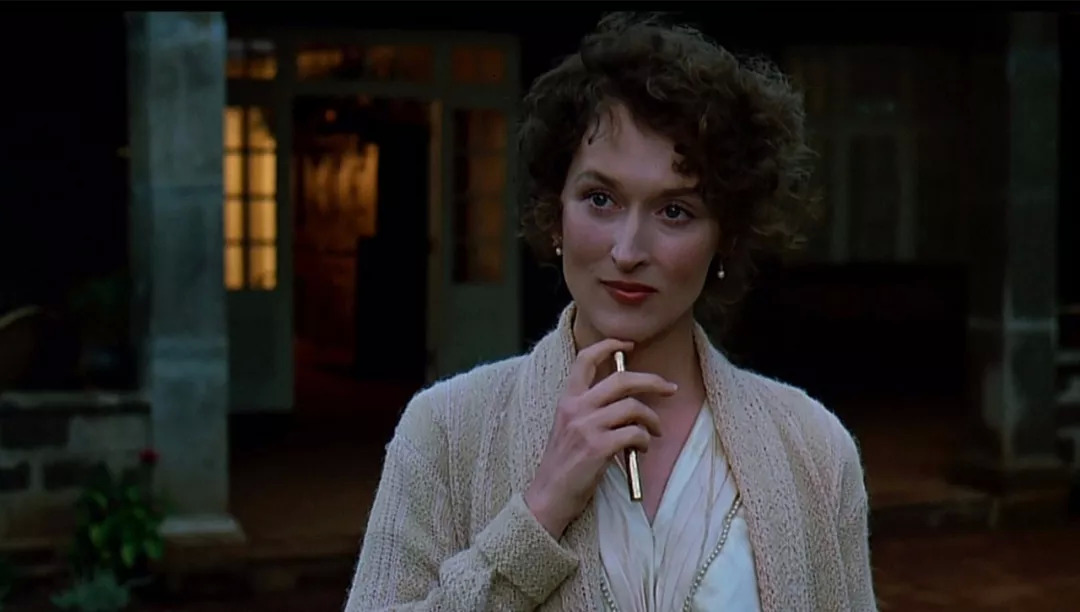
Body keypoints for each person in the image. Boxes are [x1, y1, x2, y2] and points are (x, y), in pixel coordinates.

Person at [346, 12, 875, 612]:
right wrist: (540, 510)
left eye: (674, 211)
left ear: (725, 237)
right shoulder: (445, 432)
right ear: (555, 215)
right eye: (600, 199)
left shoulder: (812, 447)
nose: (627, 250)